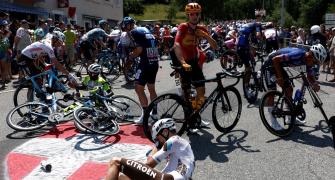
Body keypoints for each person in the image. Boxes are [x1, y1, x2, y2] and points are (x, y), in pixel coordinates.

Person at [173, 2, 217, 131]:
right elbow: (176, 45)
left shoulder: (202, 28)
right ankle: (189, 122)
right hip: (182, 61)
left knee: (201, 93)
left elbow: (215, 47)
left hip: (194, 61)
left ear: (199, 15)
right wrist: (182, 62)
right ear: (188, 15)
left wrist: (206, 36)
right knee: (186, 94)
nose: (194, 16)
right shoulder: (183, 27)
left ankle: (196, 115)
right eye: (191, 14)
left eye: (196, 14)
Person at [105, 118, 195, 180]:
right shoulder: (182, 149)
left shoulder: (174, 140)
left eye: (157, 139)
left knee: (116, 162)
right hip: (169, 177)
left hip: (168, 178)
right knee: (121, 177)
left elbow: (149, 164)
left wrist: (155, 148)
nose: (157, 142)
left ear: (165, 131)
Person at [264, 44, 327, 129]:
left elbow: (310, 76)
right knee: (271, 93)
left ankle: (290, 118)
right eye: (315, 62)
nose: (315, 64)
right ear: (310, 55)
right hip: (270, 63)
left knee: (289, 89)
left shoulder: (308, 61)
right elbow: (275, 60)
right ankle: (273, 122)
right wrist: (279, 78)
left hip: (279, 65)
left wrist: (315, 84)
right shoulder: (298, 54)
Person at [123, 23, 159, 124]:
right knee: (151, 89)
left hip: (145, 64)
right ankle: (155, 113)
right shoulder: (146, 30)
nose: (126, 32)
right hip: (154, 62)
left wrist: (131, 56)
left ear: (129, 26)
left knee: (138, 88)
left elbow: (139, 49)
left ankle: (146, 116)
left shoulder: (134, 32)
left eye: (125, 29)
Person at [236, 13, 263, 97]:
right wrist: (262, 38)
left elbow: (241, 35)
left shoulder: (246, 24)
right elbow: (258, 36)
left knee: (250, 65)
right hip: (244, 48)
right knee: (249, 68)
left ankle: (246, 82)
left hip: (239, 47)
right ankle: (246, 88)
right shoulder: (257, 24)